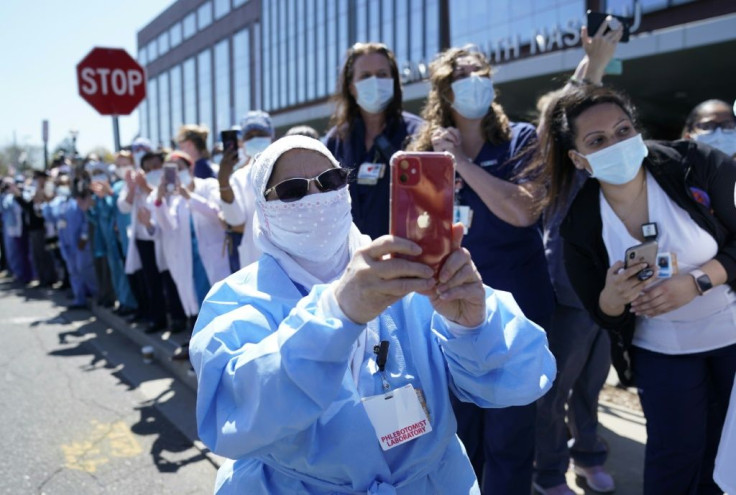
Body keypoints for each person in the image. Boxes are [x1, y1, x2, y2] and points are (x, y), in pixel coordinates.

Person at [189, 135, 556, 494]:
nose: (316, 198)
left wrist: (471, 325)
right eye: (292, 190)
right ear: (264, 208)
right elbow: (233, 414)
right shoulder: (237, 299)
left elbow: (521, 379)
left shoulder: (408, 271)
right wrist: (336, 314)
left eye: (330, 181)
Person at [538, 84, 736, 495]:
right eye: (597, 141)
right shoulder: (580, 225)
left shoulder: (694, 164)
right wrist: (614, 296)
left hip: (732, 340)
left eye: (623, 130)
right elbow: (602, 312)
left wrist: (698, 281)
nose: (616, 144)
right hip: (662, 356)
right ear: (579, 159)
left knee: (727, 462)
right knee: (673, 461)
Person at [409, 47, 555, 495]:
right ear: (444, 91)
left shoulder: (521, 138)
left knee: (511, 435)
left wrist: (464, 167)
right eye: (462, 74)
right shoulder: (424, 151)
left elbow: (523, 211)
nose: (474, 80)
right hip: (451, 312)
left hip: (519, 304)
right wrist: (438, 169)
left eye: (481, 73)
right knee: (460, 432)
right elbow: (417, 229)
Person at [532, 18, 623, 495]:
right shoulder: (559, 165)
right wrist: (593, 66)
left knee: (591, 385)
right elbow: (555, 123)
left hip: (606, 295)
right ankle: (548, 473)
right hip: (567, 296)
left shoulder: (614, 162)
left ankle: (588, 456)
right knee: (553, 391)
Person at [325, 42, 423, 240]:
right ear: (352, 87)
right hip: (349, 261)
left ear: (394, 81)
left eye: (382, 74)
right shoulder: (335, 141)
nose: (375, 82)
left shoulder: (418, 133)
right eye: (365, 76)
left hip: (402, 259)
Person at [217, 110, 274, 271]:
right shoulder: (239, 177)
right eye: (250, 136)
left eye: (260, 133)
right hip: (254, 257)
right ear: (243, 141)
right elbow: (236, 220)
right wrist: (223, 181)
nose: (255, 138)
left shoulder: (287, 168)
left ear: (271, 136)